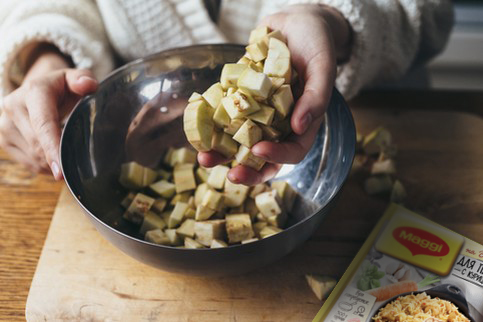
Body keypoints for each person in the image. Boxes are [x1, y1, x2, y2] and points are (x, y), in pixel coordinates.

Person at [0, 0, 453, 185]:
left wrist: (336, 22)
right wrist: (44, 58)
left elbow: (430, 12)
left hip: (384, 124)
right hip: (140, 130)